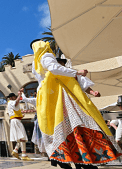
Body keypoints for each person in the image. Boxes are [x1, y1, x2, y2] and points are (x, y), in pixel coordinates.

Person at [31, 39, 122, 169]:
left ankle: (65, 156)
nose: (59, 64)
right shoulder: (47, 59)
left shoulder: (38, 65)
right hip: (62, 97)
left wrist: (92, 91)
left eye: (61, 63)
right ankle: (76, 156)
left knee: (68, 126)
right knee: (79, 122)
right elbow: (55, 68)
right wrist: (77, 72)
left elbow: (81, 82)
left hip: (51, 100)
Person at [7, 92, 33, 161]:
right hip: (16, 121)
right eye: (15, 97)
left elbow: (15, 110)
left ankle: (15, 151)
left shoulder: (11, 104)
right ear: (12, 97)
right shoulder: (11, 102)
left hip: (16, 120)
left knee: (21, 137)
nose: (16, 98)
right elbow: (16, 103)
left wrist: (21, 115)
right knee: (23, 137)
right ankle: (23, 155)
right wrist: (19, 95)